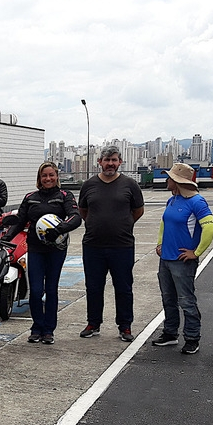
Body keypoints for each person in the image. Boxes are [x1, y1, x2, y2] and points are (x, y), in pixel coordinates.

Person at [6, 162, 81, 344]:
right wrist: (6, 237)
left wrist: (60, 228)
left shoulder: (65, 195)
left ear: (57, 176)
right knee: (36, 290)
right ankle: (36, 327)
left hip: (56, 249)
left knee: (51, 289)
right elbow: (19, 221)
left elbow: (76, 216)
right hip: (35, 249)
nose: (48, 179)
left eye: (51, 175)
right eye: (44, 176)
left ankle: (48, 330)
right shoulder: (30, 197)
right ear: (39, 179)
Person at [77, 146, 145, 341]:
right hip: (93, 246)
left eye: (114, 160)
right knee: (94, 287)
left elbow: (138, 210)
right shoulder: (89, 185)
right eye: (107, 160)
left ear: (120, 162)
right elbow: (83, 211)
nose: (110, 164)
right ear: (99, 162)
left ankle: (125, 327)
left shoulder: (130, 185)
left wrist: (123, 224)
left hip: (122, 246)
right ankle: (93, 323)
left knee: (123, 287)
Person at [152, 163, 213, 355]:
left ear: (177, 181)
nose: (167, 180)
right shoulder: (172, 200)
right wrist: (160, 243)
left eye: (170, 177)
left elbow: (211, 228)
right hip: (166, 258)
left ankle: (192, 337)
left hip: (182, 261)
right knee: (168, 298)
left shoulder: (196, 202)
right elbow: (165, 223)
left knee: (186, 300)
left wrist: (196, 253)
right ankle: (170, 333)